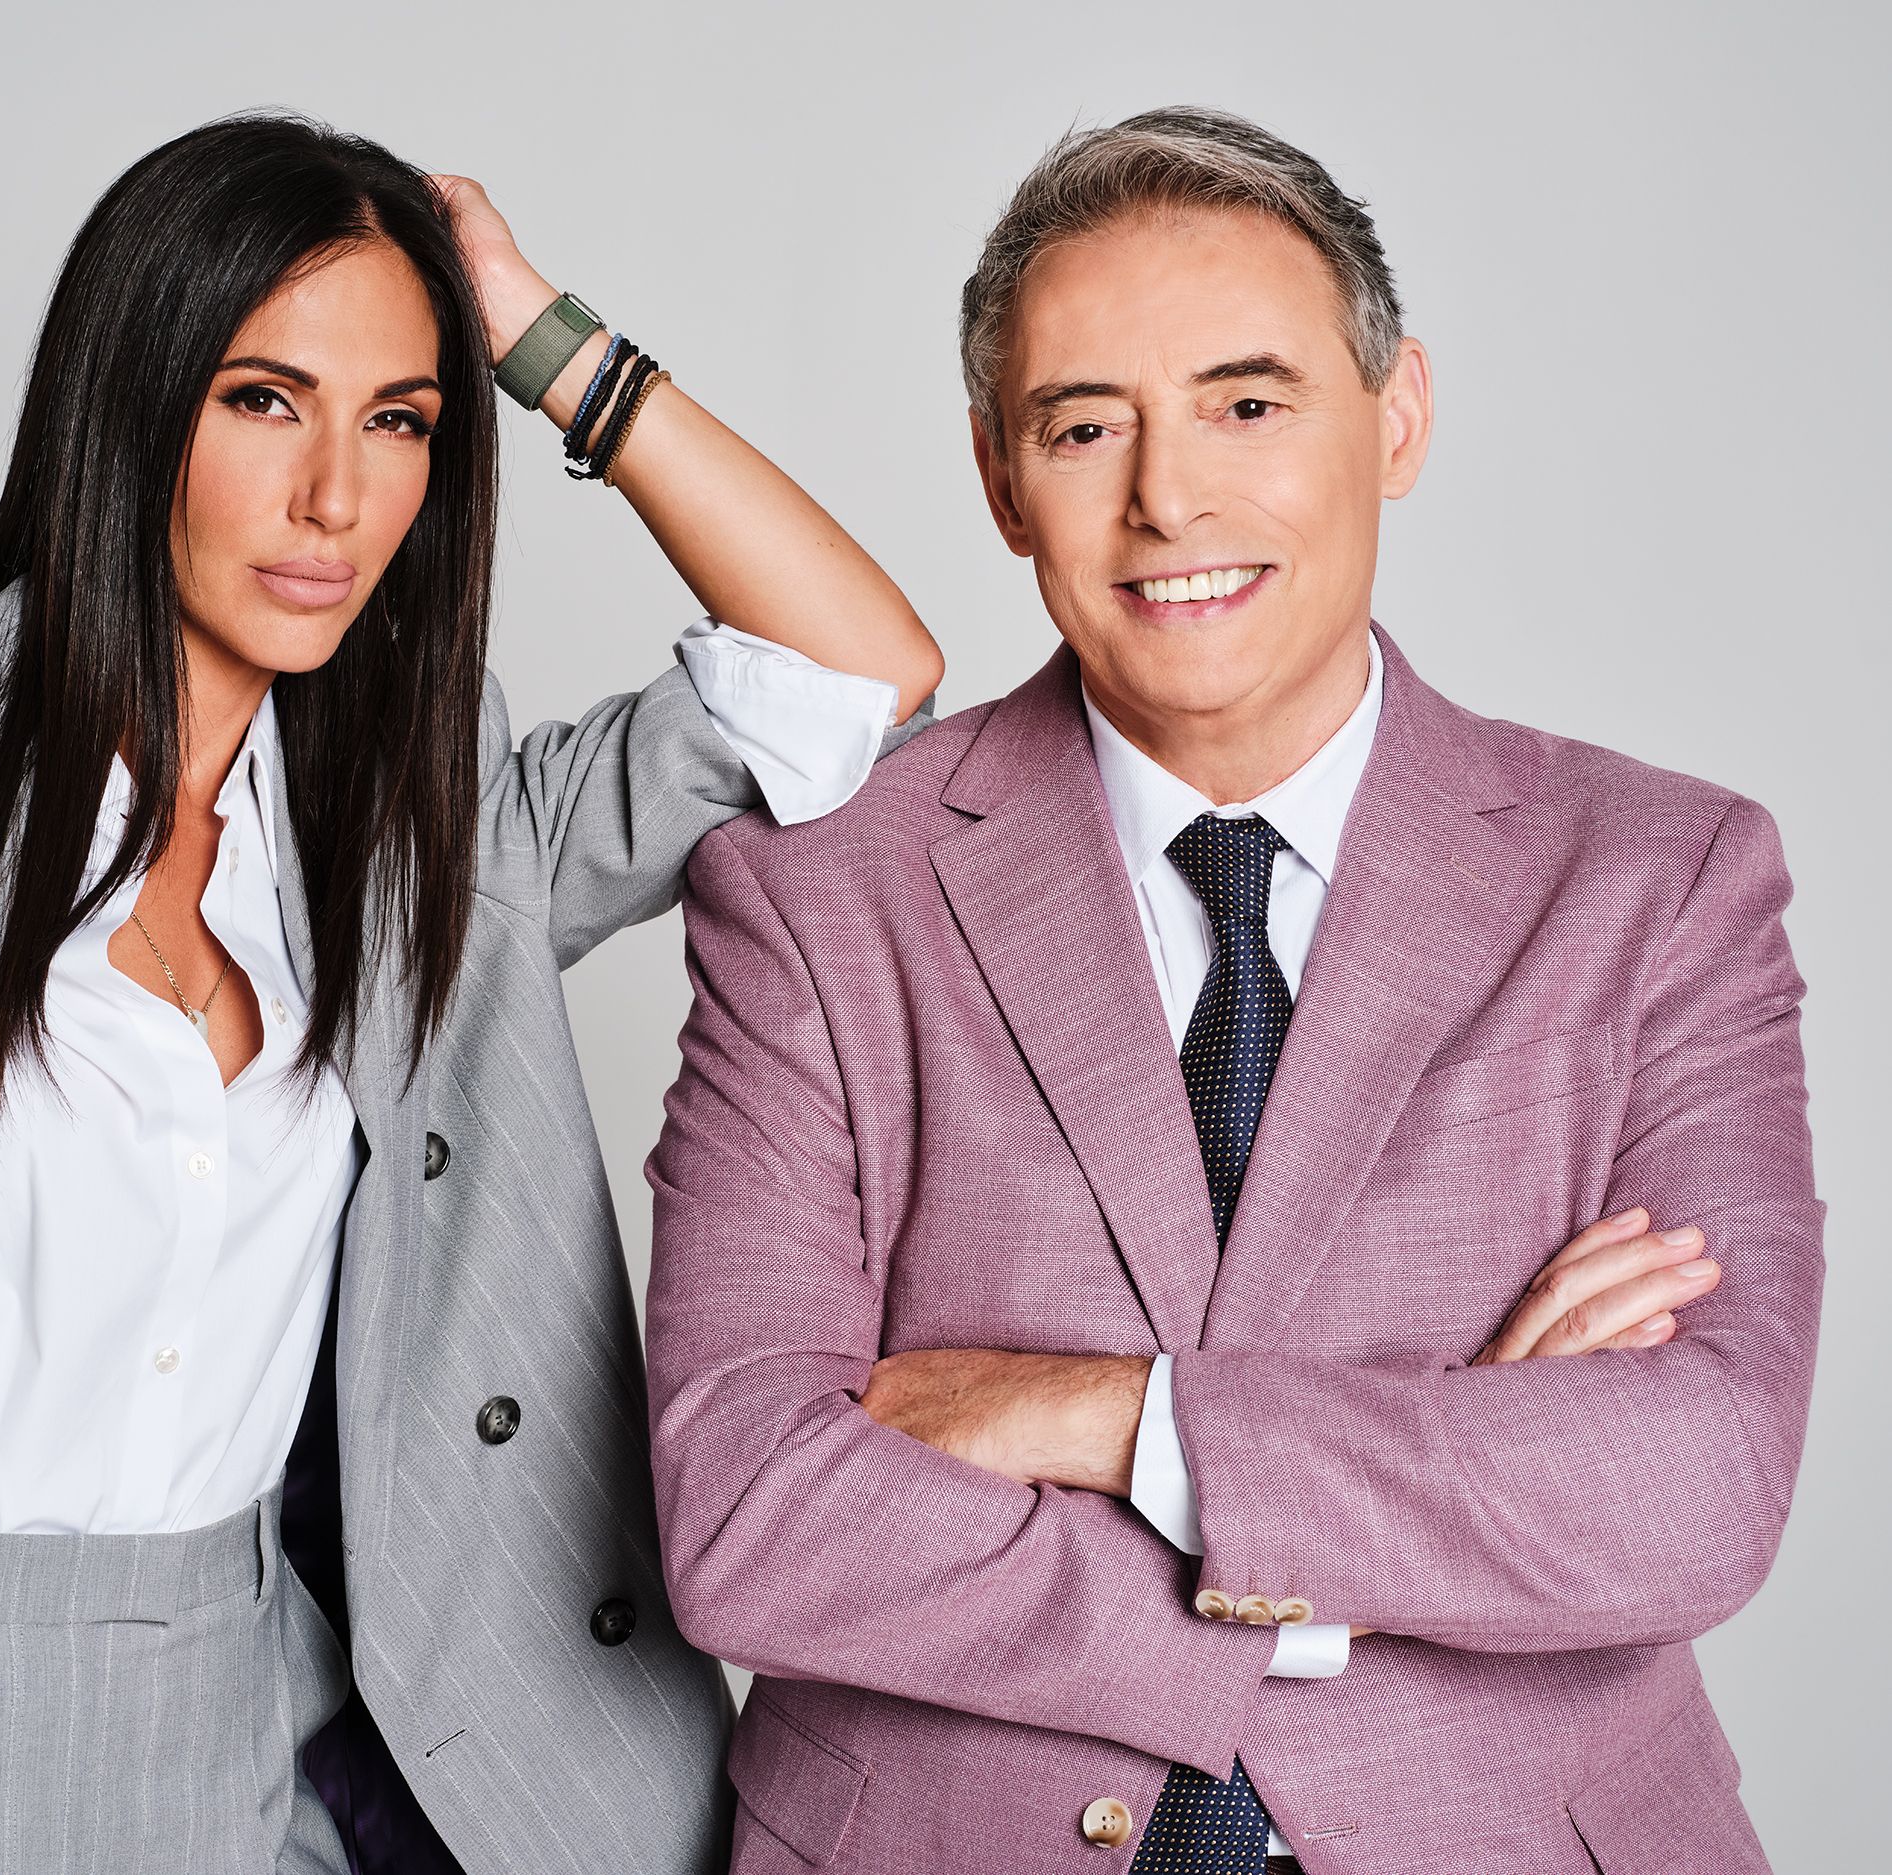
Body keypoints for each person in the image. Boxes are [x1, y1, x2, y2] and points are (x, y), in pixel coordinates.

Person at [0, 113, 940, 1875]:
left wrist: (536, 336)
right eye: (264, 400)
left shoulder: (427, 840)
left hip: (217, 1743)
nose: (336, 498)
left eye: (400, 420)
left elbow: (857, 676)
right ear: (127, 407)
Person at [645, 107, 1815, 1875]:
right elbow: (751, 1516)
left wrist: (1113, 1423)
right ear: (999, 477)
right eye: (1084, 426)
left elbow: (1695, 1485)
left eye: (1247, 405)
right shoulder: (815, 896)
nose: (1169, 498)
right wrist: (1431, 1497)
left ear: (1397, 414)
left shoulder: (1663, 880)